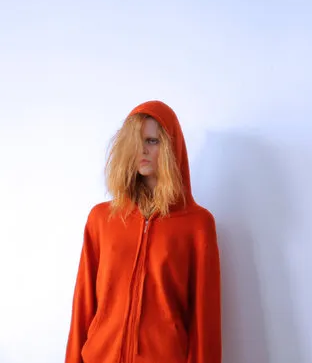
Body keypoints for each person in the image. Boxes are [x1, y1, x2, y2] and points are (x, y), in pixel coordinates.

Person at [65, 101, 221, 363]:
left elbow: (204, 321)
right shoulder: (102, 218)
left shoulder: (197, 225)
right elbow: (83, 304)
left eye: (152, 141)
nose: (142, 151)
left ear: (171, 148)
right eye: (136, 142)